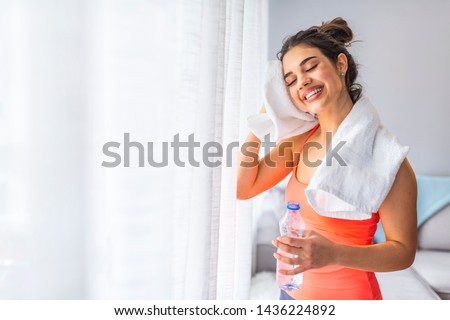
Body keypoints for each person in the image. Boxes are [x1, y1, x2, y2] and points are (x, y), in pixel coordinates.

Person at [236, 17, 417, 300]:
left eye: (310, 67)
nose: (303, 81)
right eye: (290, 80)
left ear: (341, 65)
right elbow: (243, 187)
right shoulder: (301, 142)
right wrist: (261, 119)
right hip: (291, 295)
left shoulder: (387, 158)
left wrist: (332, 253)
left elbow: (403, 252)